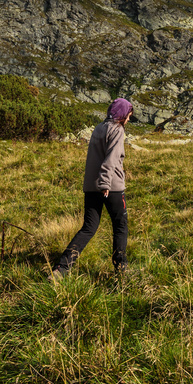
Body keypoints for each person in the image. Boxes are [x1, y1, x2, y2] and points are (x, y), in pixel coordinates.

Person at [52, 98, 132, 279]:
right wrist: (105, 183)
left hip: (91, 187)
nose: (128, 120)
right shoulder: (117, 130)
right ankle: (121, 271)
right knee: (120, 226)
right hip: (111, 187)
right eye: (128, 116)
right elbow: (111, 158)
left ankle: (61, 269)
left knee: (88, 228)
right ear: (122, 115)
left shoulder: (98, 128)